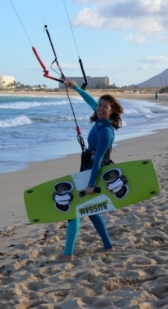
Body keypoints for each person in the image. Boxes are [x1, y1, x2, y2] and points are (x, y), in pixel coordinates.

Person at [60, 81, 124, 262]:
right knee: (91, 211)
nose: (101, 109)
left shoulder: (106, 131)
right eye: (100, 106)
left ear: (112, 111)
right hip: (87, 170)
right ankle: (108, 246)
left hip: (93, 173)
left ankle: (67, 255)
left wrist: (91, 184)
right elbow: (90, 101)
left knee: (74, 210)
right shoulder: (99, 121)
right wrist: (76, 88)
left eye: (105, 107)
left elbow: (98, 160)